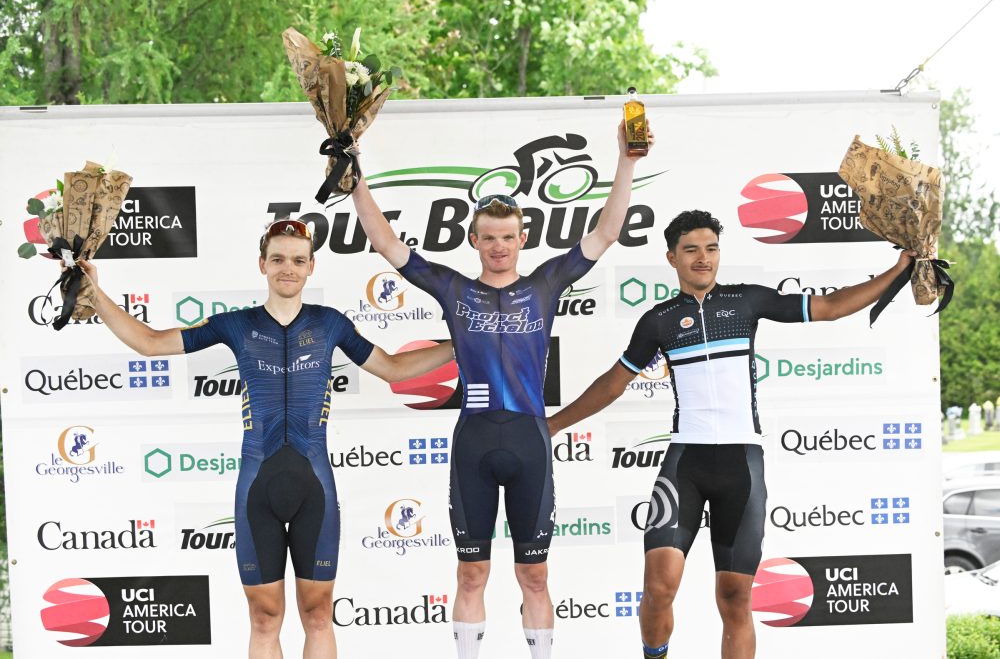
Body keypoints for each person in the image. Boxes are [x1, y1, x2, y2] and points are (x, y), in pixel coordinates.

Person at [546, 210, 917, 659]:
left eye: (711, 248)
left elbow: (831, 307)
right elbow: (613, 383)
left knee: (735, 597)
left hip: (742, 463)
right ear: (672, 258)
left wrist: (898, 271)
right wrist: (554, 425)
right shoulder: (659, 320)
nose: (703, 258)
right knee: (658, 587)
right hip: (686, 463)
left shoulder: (747, 301)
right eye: (691, 250)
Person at [77, 220, 453, 659]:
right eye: (278, 259)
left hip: (315, 488)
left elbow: (393, 368)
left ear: (311, 266)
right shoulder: (237, 324)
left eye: (297, 260)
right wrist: (93, 292)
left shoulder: (330, 323)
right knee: (264, 618)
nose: (287, 268)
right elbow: (149, 343)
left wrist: (460, 344)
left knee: (318, 614)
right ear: (262, 265)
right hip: (258, 487)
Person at [351, 121, 653, 659]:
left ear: (522, 239)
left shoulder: (544, 285)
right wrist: (354, 175)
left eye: (507, 237)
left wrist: (626, 162)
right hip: (472, 443)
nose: (498, 246)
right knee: (471, 574)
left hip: (528, 442)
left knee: (534, 577)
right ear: (474, 240)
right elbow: (387, 244)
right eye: (488, 237)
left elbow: (606, 233)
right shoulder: (452, 289)